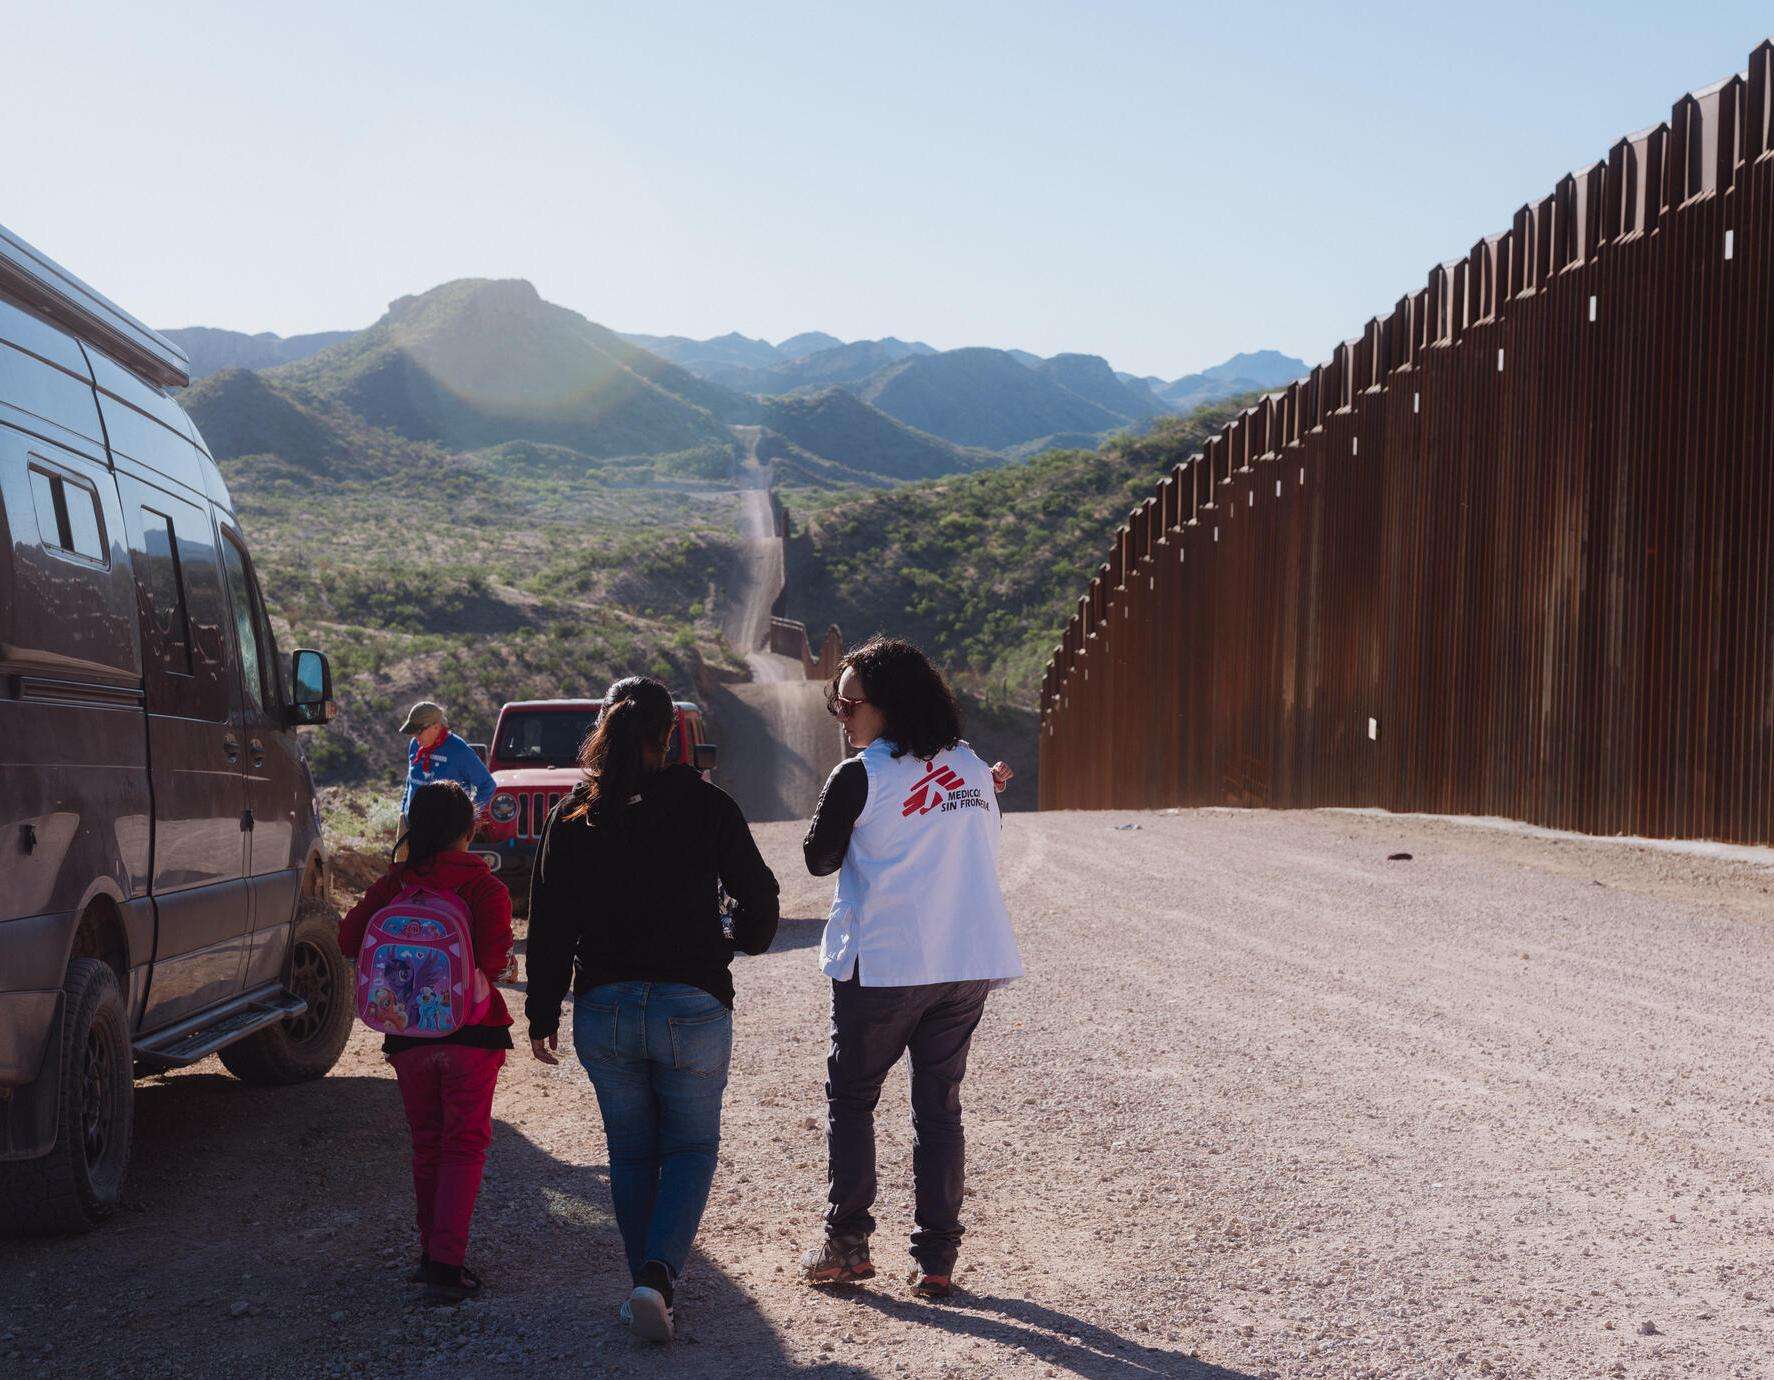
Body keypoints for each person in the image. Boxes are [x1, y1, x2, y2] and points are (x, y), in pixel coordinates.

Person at [525, 676, 780, 1343]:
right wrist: (739, 940)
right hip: (690, 1003)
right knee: (691, 1147)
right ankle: (658, 1281)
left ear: (606, 728)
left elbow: (549, 921)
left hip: (604, 1009)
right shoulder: (707, 804)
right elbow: (761, 899)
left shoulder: (576, 812)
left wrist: (542, 1012)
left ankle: (645, 1285)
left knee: (632, 1154)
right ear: (671, 734)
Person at [799, 636, 1023, 1299]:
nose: (840, 718)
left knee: (853, 1100)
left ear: (884, 708)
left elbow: (817, 859)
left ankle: (845, 1244)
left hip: (888, 963)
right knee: (939, 1108)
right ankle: (936, 1259)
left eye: (847, 705)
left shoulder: (862, 774)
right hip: (965, 962)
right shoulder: (976, 767)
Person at [338, 780, 514, 1304]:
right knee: (464, 1145)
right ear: (469, 830)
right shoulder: (485, 888)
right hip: (472, 1036)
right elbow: (492, 961)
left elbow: (350, 939)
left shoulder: (394, 884)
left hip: (407, 1036)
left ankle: (428, 1253)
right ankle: (446, 1262)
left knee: (428, 1144)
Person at [397, 701, 497, 839]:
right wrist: (403, 813)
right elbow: (411, 781)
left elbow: (487, 785)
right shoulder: (415, 745)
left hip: (444, 836)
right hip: (411, 828)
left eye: (418, 732)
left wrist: (466, 818)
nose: (415, 737)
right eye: (413, 733)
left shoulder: (458, 750)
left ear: (436, 727)